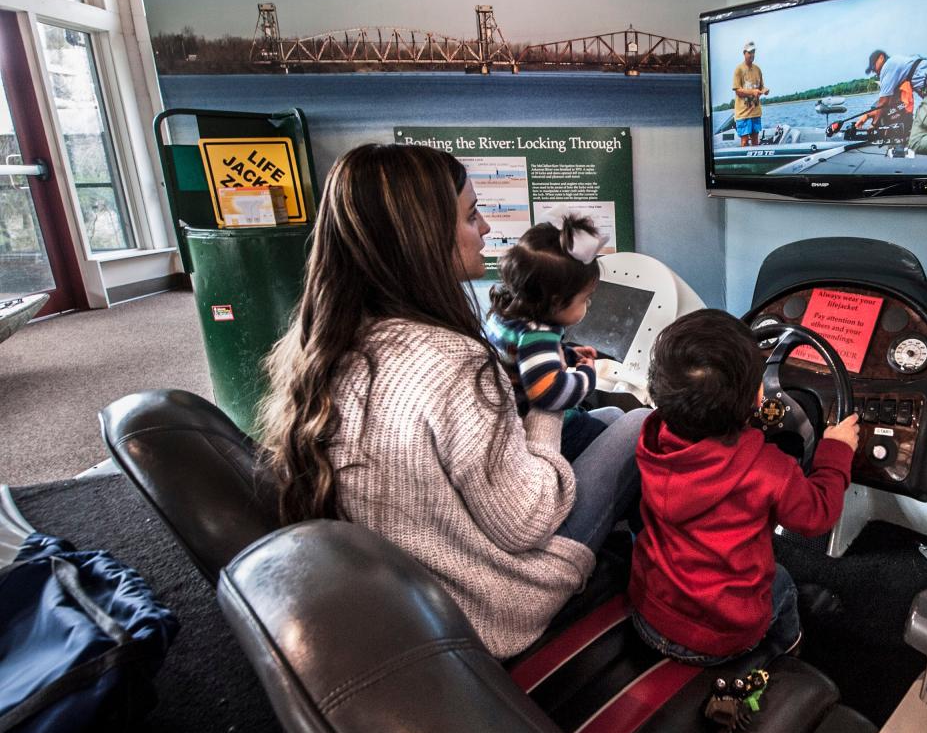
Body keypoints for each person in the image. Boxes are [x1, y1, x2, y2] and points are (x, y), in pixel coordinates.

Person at [257, 143, 647, 659]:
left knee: (599, 416)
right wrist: (546, 403)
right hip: (490, 601)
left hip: (413, 590)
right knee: (640, 421)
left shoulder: (337, 340)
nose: (485, 228)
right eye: (470, 215)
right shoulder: (450, 360)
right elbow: (527, 520)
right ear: (422, 238)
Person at [627, 309, 860, 665]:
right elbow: (819, 514)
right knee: (781, 584)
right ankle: (786, 648)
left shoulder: (654, 437)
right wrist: (837, 451)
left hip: (649, 610)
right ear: (758, 397)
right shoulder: (768, 470)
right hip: (717, 637)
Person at [484, 208, 618, 463]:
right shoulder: (538, 335)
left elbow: (522, 358)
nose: (587, 305)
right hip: (549, 434)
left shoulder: (505, 315)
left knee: (613, 417)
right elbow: (549, 393)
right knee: (612, 432)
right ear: (556, 302)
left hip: (516, 422)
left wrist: (566, 354)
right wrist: (587, 376)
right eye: (585, 299)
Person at [853, 50, 927, 157]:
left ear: (881, 58)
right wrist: (867, 115)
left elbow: (883, 102)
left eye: (873, 66)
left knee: (915, 141)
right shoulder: (903, 63)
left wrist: (873, 124)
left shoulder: (888, 66)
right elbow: (889, 106)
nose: (873, 70)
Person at [731, 41, 769, 147]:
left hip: (755, 112)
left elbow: (761, 87)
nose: (752, 55)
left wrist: (765, 90)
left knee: (755, 141)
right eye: (749, 52)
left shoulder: (758, 69)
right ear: (744, 53)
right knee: (744, 141)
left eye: (753, 52)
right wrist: (752, 92)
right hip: (743, 113)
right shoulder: (738, 70)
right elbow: (737, 90)